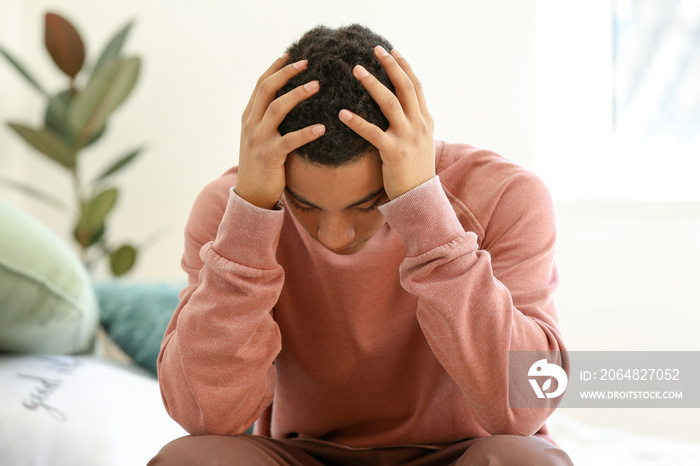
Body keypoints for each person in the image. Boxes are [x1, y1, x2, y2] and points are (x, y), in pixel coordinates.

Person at [149, 24, 573, 465]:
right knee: (188, 459)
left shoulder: (506, 195)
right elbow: (205, 415)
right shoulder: (232, 211)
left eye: (368, 205)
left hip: (462, 454)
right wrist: (251, 217)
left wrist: (425, 210)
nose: (334, 238)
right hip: (309, 454)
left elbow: (525, 406)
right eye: (305, 206)